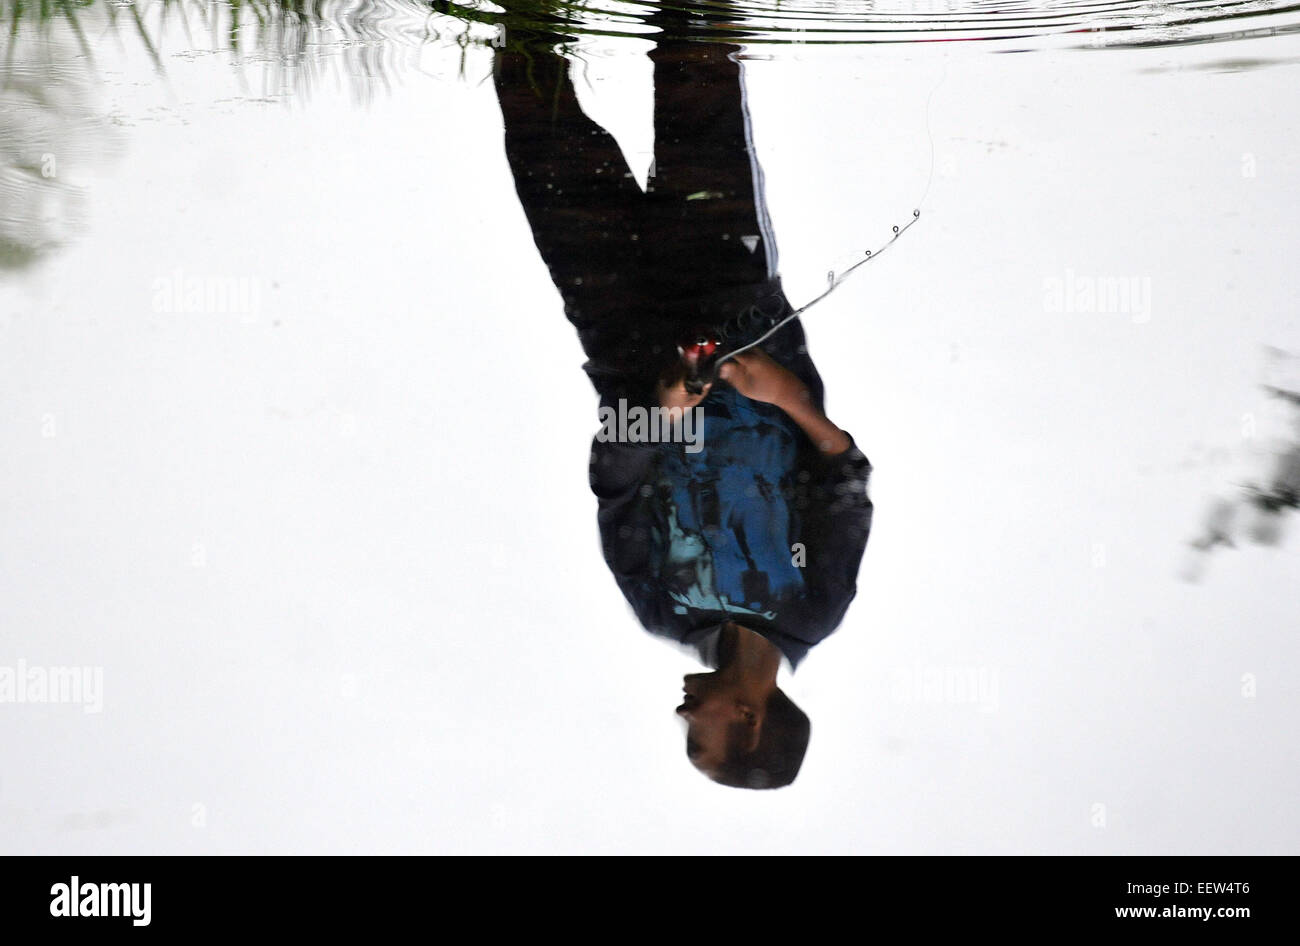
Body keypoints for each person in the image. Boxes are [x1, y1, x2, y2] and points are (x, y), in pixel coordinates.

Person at [492, 12, 873, 788]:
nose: (682, 719)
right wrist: (788, 395)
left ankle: (526, 18)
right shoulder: (816, 605)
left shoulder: (662, 609)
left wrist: (654, 410)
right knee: (695, 61)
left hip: (616, 321)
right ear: (749, 721)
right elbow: (845, 477)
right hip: (734, 295)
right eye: (698, 739)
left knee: (533, 114)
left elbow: (615, 484)